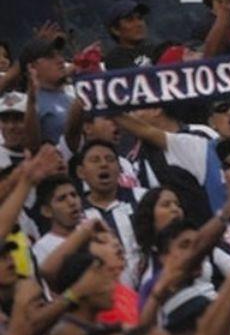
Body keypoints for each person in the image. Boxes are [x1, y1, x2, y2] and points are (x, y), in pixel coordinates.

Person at [74, 140, 145, 289]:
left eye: (110, 159)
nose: (104, 164)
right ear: (81, 172)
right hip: (105, 296)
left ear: (120, 168)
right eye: (95, 160)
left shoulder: (142, 198)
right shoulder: (76, 213)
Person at [20, 35, 73, 146]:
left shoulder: (72, 96)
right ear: (32, 67)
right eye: (50, 57)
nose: (61, 60)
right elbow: (30, 145)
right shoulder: (26, 104)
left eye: (59, 54)